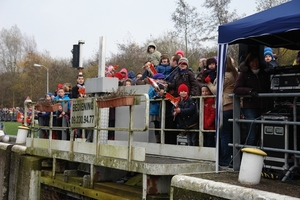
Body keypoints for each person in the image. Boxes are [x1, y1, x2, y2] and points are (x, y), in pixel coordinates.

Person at [234, 52, 272, 146]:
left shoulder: (264, 73)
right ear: (248, 62)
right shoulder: (243, 74)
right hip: (250, 107)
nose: (255, 63)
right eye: (252, 61)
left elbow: (268, 88)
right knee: (252, 134)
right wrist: (250, 91)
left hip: (264, 106)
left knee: (263, 133)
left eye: (256, 61)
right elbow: (236, 89)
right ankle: (248, 157)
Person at [207, 56, 238, 166]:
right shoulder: (234, 74)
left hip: (225, 106)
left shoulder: (226, 76)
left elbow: (216, 90)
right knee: (232, 134)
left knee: (224, 135)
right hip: (233, 106)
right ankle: (232, 158)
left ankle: (225, 160)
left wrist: (208, 83)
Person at [148, 73, 166, 143]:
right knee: (157, 126)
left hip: (162, 110)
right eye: (159, 79)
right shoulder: (152, 88)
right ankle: (158, 140)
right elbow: (149, 97)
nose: (161, 80)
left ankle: (163, 140)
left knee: (162, 125)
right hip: (155, 110)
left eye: (162, 79)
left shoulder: (164, 87)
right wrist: (156, 95)